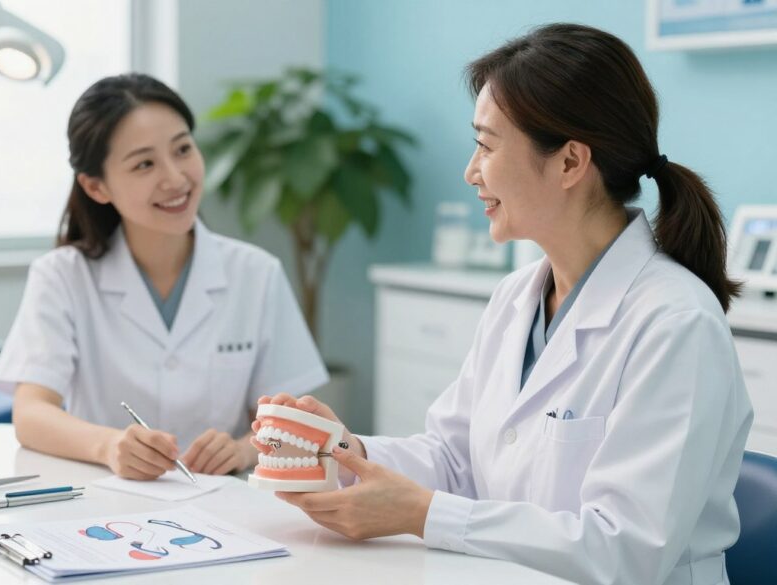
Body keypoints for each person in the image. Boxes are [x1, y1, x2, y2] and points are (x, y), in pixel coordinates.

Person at [257, 23, 753, 585]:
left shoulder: (675, 323)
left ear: (570, 163)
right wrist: (346, 451)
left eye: (486, 146)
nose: (472, 172)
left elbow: (627, 551)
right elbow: (454, 458)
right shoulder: (517, 298)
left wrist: (425, 515)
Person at [0, 73, 327, 480]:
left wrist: (241, 450)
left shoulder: (257, 274)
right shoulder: (63, 276)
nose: (176, 178)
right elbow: (31, 414)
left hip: (224, 501)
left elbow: (296, 425)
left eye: (183, 149)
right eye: (145, 163)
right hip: (105, 503)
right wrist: (110, 445)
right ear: (97, 187)